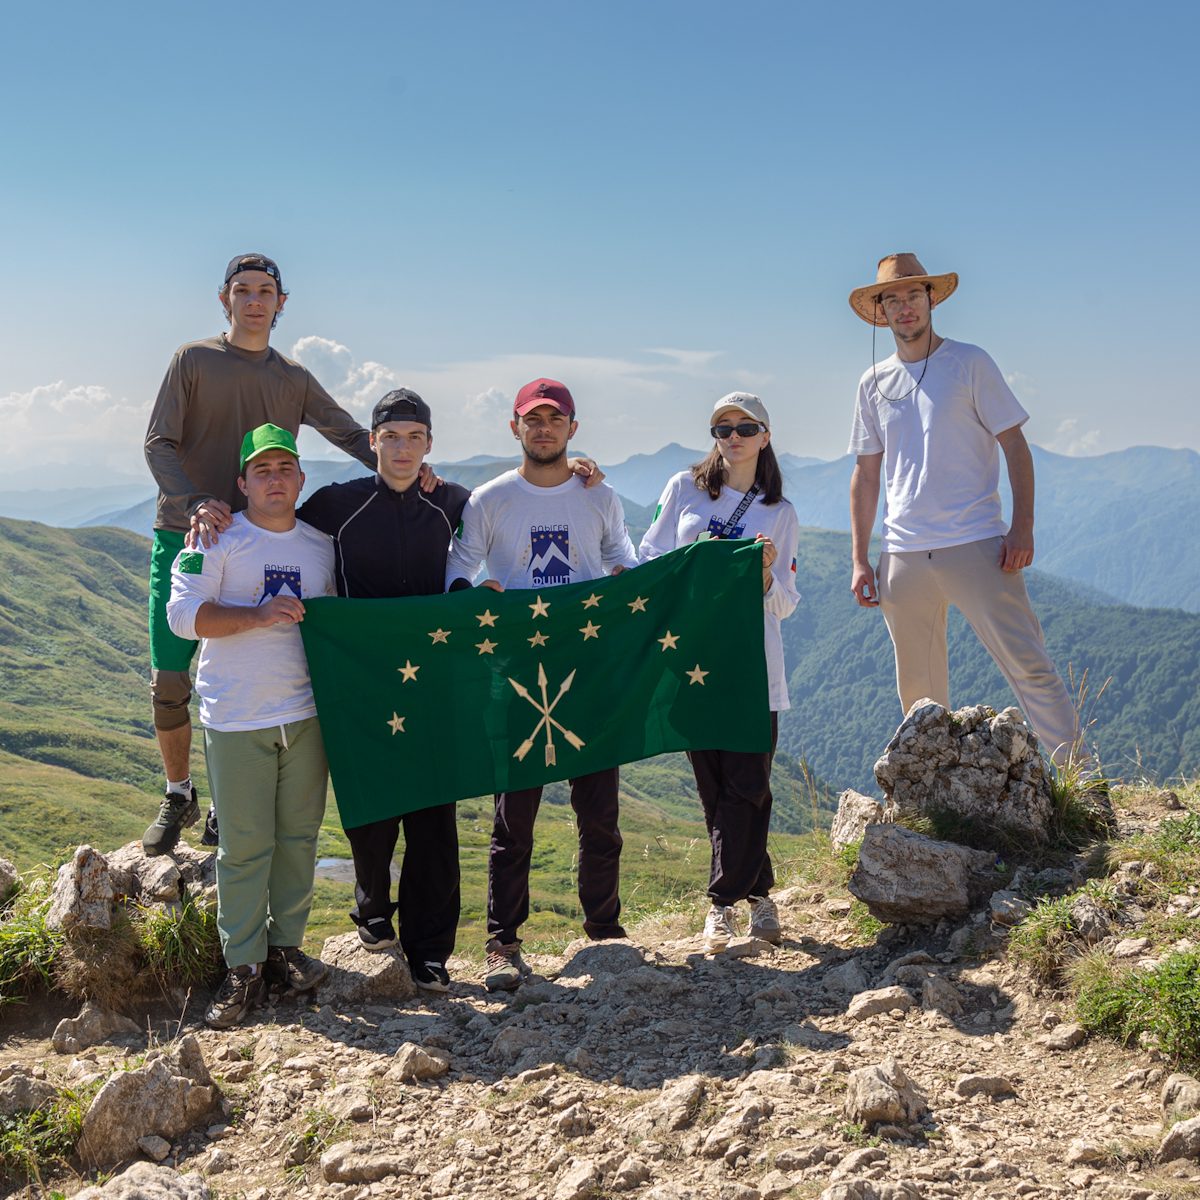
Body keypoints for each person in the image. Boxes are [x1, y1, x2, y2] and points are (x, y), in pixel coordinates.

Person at [143, 252, 375, 857]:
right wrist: (194, 500)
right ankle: (177, 792)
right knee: (171, 680)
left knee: (259, 670)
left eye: (265, 291)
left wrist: (406, 472)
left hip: (260, 537)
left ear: (281, 303)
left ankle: (225, 805)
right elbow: (157, 442)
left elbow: (348, 433)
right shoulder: (192, 360)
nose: (253, 300)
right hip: (187, 533)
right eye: (242, 290)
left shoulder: (293, 377)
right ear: (225, 299)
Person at [846, 253, 1079, 763]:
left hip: (978, 543)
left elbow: (1016, 446)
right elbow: (866, 476)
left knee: (1030, 666)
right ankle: (932, 801)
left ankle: (1083, 784)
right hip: (902, 554)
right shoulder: (873, 383)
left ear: (931, 300)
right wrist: (862, 559)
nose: (904, 307)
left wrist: (1023, 527)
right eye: (893, 299)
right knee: (919, 693)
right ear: (880, 312)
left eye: (913, 295)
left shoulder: (970, 362)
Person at [445, 378, 638, 991]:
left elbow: (622, 559)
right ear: (515, 427)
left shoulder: (597, 494)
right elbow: (458, 569)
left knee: (599, 809)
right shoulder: (490, 499)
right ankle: (502, 940)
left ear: (573, 429)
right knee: (514, 815)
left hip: (587, 667)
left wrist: (636, 587)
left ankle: (603, 928)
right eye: (534, 419)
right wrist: (476, 598)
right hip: (515, 670)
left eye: (556, 420)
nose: (545, 429)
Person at [295, 389, 469, 993]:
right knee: (371, 809)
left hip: (431, 685)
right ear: (371, 443)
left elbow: (513, 518)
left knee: (433, 816)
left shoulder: (450, 502)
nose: (401, 448)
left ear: (428, 445)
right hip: (363, 681)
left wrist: (580, 477)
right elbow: (271, 525)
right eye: (389, 437)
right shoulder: (334, 504)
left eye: (413, 437)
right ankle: (372, 912)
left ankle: (430, 952)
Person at [165, 424, 334, 1029]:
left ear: (300, 478)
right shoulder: (215, 538)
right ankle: (242, 966)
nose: (274, 479)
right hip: (237, 715)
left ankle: (286, 949)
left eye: (284, 468)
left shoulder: (321, 546)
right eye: (261, 471)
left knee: (298, 838)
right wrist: (258, 615)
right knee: (243, 847)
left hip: (307, 715)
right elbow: (183, 615)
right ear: (242, 483)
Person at [639, 393, 800, 953]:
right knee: (716, 789)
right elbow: (650, 558)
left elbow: (784, 604)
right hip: (692, 663)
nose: (733, 436)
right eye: (722, 427)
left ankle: (721, 904)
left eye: (745, 427)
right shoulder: (683, 490)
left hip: (755, 668)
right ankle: (759, 894)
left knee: (750, 785)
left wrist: (761, 578)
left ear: (765, 435)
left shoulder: (780, 512)